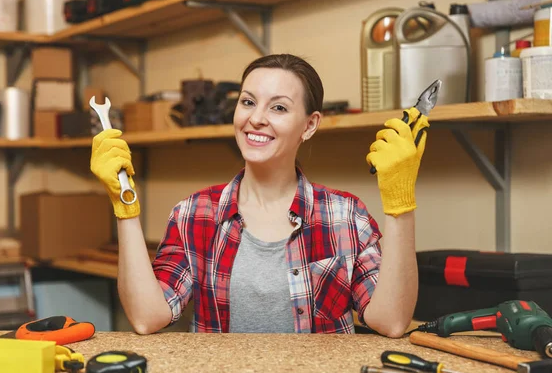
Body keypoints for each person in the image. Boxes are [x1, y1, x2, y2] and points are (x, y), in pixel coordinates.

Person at [90, 54, 426, 337]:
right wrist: (125, 206)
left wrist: (400, 205)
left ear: (309, 125)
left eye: (278, 108)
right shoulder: (194, 214)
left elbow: (392, 321)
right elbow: (148, 317)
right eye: (248, 102)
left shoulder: (344, 216)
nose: (256, 119)